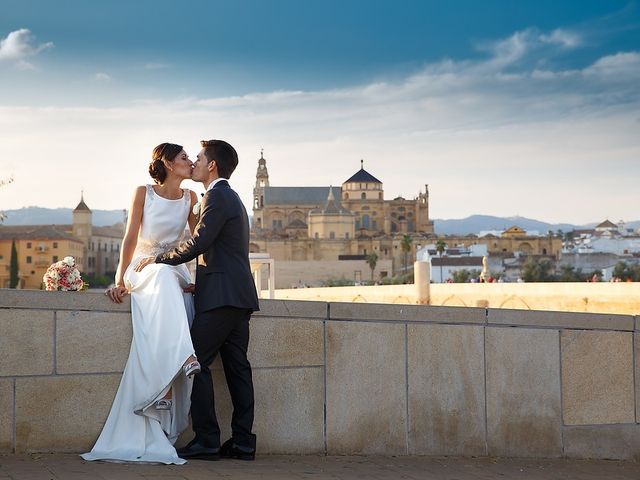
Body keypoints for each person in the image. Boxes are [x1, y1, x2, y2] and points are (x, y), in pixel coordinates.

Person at [136, 139, 260, 461]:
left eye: (200, 157)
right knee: (237, 369)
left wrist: (159, 260)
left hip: (220, 297)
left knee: (195, 362)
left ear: (212, 165)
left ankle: (207, 439)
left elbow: (199, 242)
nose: (195, 162)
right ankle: (244, 442)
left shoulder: (217, 197)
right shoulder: (229, 197)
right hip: (239, 295)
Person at [82, 143, 201, 464]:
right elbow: (130, 237)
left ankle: (163, 391)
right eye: (184, 158)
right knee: (161, 277)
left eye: (191, 158)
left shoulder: (191, 199)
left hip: (173, 266)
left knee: (170, 281)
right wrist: (120, 280)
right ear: (167, 163)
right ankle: (185, 356)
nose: (191, 162)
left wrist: (199, 279)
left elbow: (197, 242)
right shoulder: (143, 193)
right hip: (143, 268)